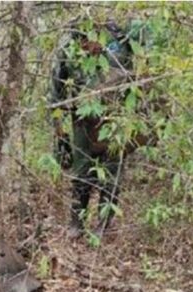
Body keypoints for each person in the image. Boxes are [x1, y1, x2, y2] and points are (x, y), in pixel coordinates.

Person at [50, 20, 152, 239]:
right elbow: (56, 92)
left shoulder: (121, 43)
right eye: (83, 44)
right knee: (81, 172)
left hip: (116, 119)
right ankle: (76, 222)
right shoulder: (68, 53)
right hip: (82, 121)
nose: (88, 47)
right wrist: (58, 127)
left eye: (90, 41)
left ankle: (104, 225)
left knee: (112, 172)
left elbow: (147, 42)